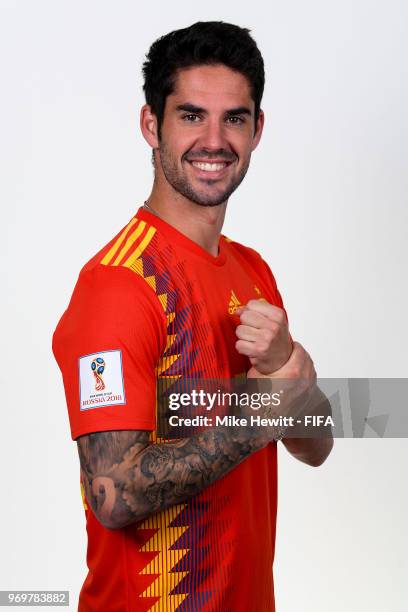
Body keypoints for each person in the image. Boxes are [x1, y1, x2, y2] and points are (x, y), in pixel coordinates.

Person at [53, 21, 333, 612]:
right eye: (190, 116)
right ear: (151, 124)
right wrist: (261, 413)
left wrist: (289, 366)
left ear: (257, 130)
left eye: (234, 118)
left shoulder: (253, 269)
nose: (214, 139)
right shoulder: (118, 285)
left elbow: (315, 446)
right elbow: (114, 493)